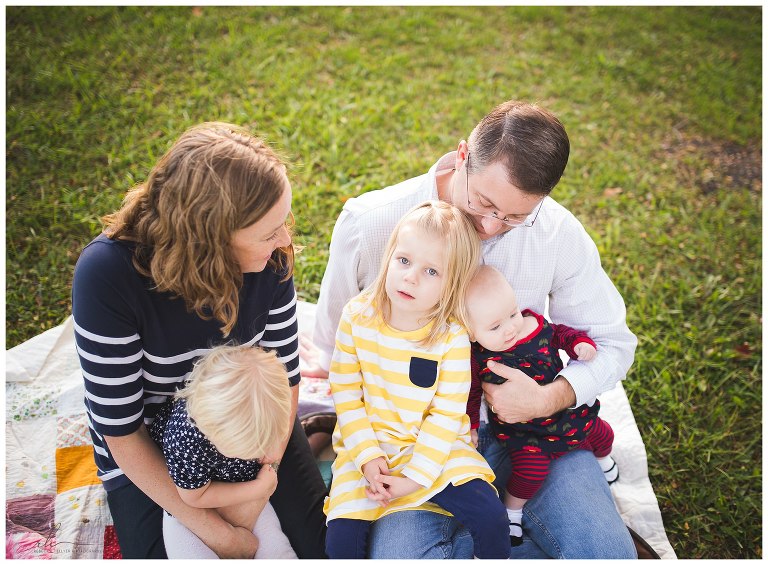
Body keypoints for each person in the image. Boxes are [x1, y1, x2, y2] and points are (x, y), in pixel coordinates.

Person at [308, 100, 639, 558]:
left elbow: (613, 343)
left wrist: (550, 397)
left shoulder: (557, 233)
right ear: (463, 155)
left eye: (513, 218)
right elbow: (335, 345)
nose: (488, 227)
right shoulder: (371, 224)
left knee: (607, 554)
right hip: (408, 445)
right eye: (482, 203)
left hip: (536, 433)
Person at [71, 122, 328, 559]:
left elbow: (285, 378)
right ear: (209, 237)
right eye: (269, 232)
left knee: (318, 549)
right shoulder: (106, 276)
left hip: (251, 430)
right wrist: (217, 531)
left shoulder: (272, 259)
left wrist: (250, 501)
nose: (285, 241)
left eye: (282, 224)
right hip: (155, 448)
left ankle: (312, 434)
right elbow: (122, 431)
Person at [323, 201, 510, 559]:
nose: (410, 277)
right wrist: (366, 456)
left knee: (491, 517)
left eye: (431, 272)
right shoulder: (358, 317)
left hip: (433, 451)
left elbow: (445, 416)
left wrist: (416, 477)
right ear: (389, 255)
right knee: (341, 543)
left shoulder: (450, 336)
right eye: (404, 261)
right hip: (368, 450)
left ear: (451, 283)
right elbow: (345, 392)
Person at [464, 265, 619, 546]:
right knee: (530, 471)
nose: (511, 327)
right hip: (523, 432)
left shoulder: (534, 326)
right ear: (472, 334)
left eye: (512, 313)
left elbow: (561, 334)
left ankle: (604, 459)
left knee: (602, 432)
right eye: (495, 326)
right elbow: (472, 395)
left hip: (565, 414)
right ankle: (513, 510)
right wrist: (472, 426)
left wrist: (579, 344)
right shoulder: (480, 357)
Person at [148, 345, 297, 558]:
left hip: (240, 485)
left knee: (277, 549)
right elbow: (194, 497)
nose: (261, 452)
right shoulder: (186, 440)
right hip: (194, 508)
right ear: (212, 431)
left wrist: (272, 447)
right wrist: (258, 488)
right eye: (252, 449)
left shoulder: (259, 414)